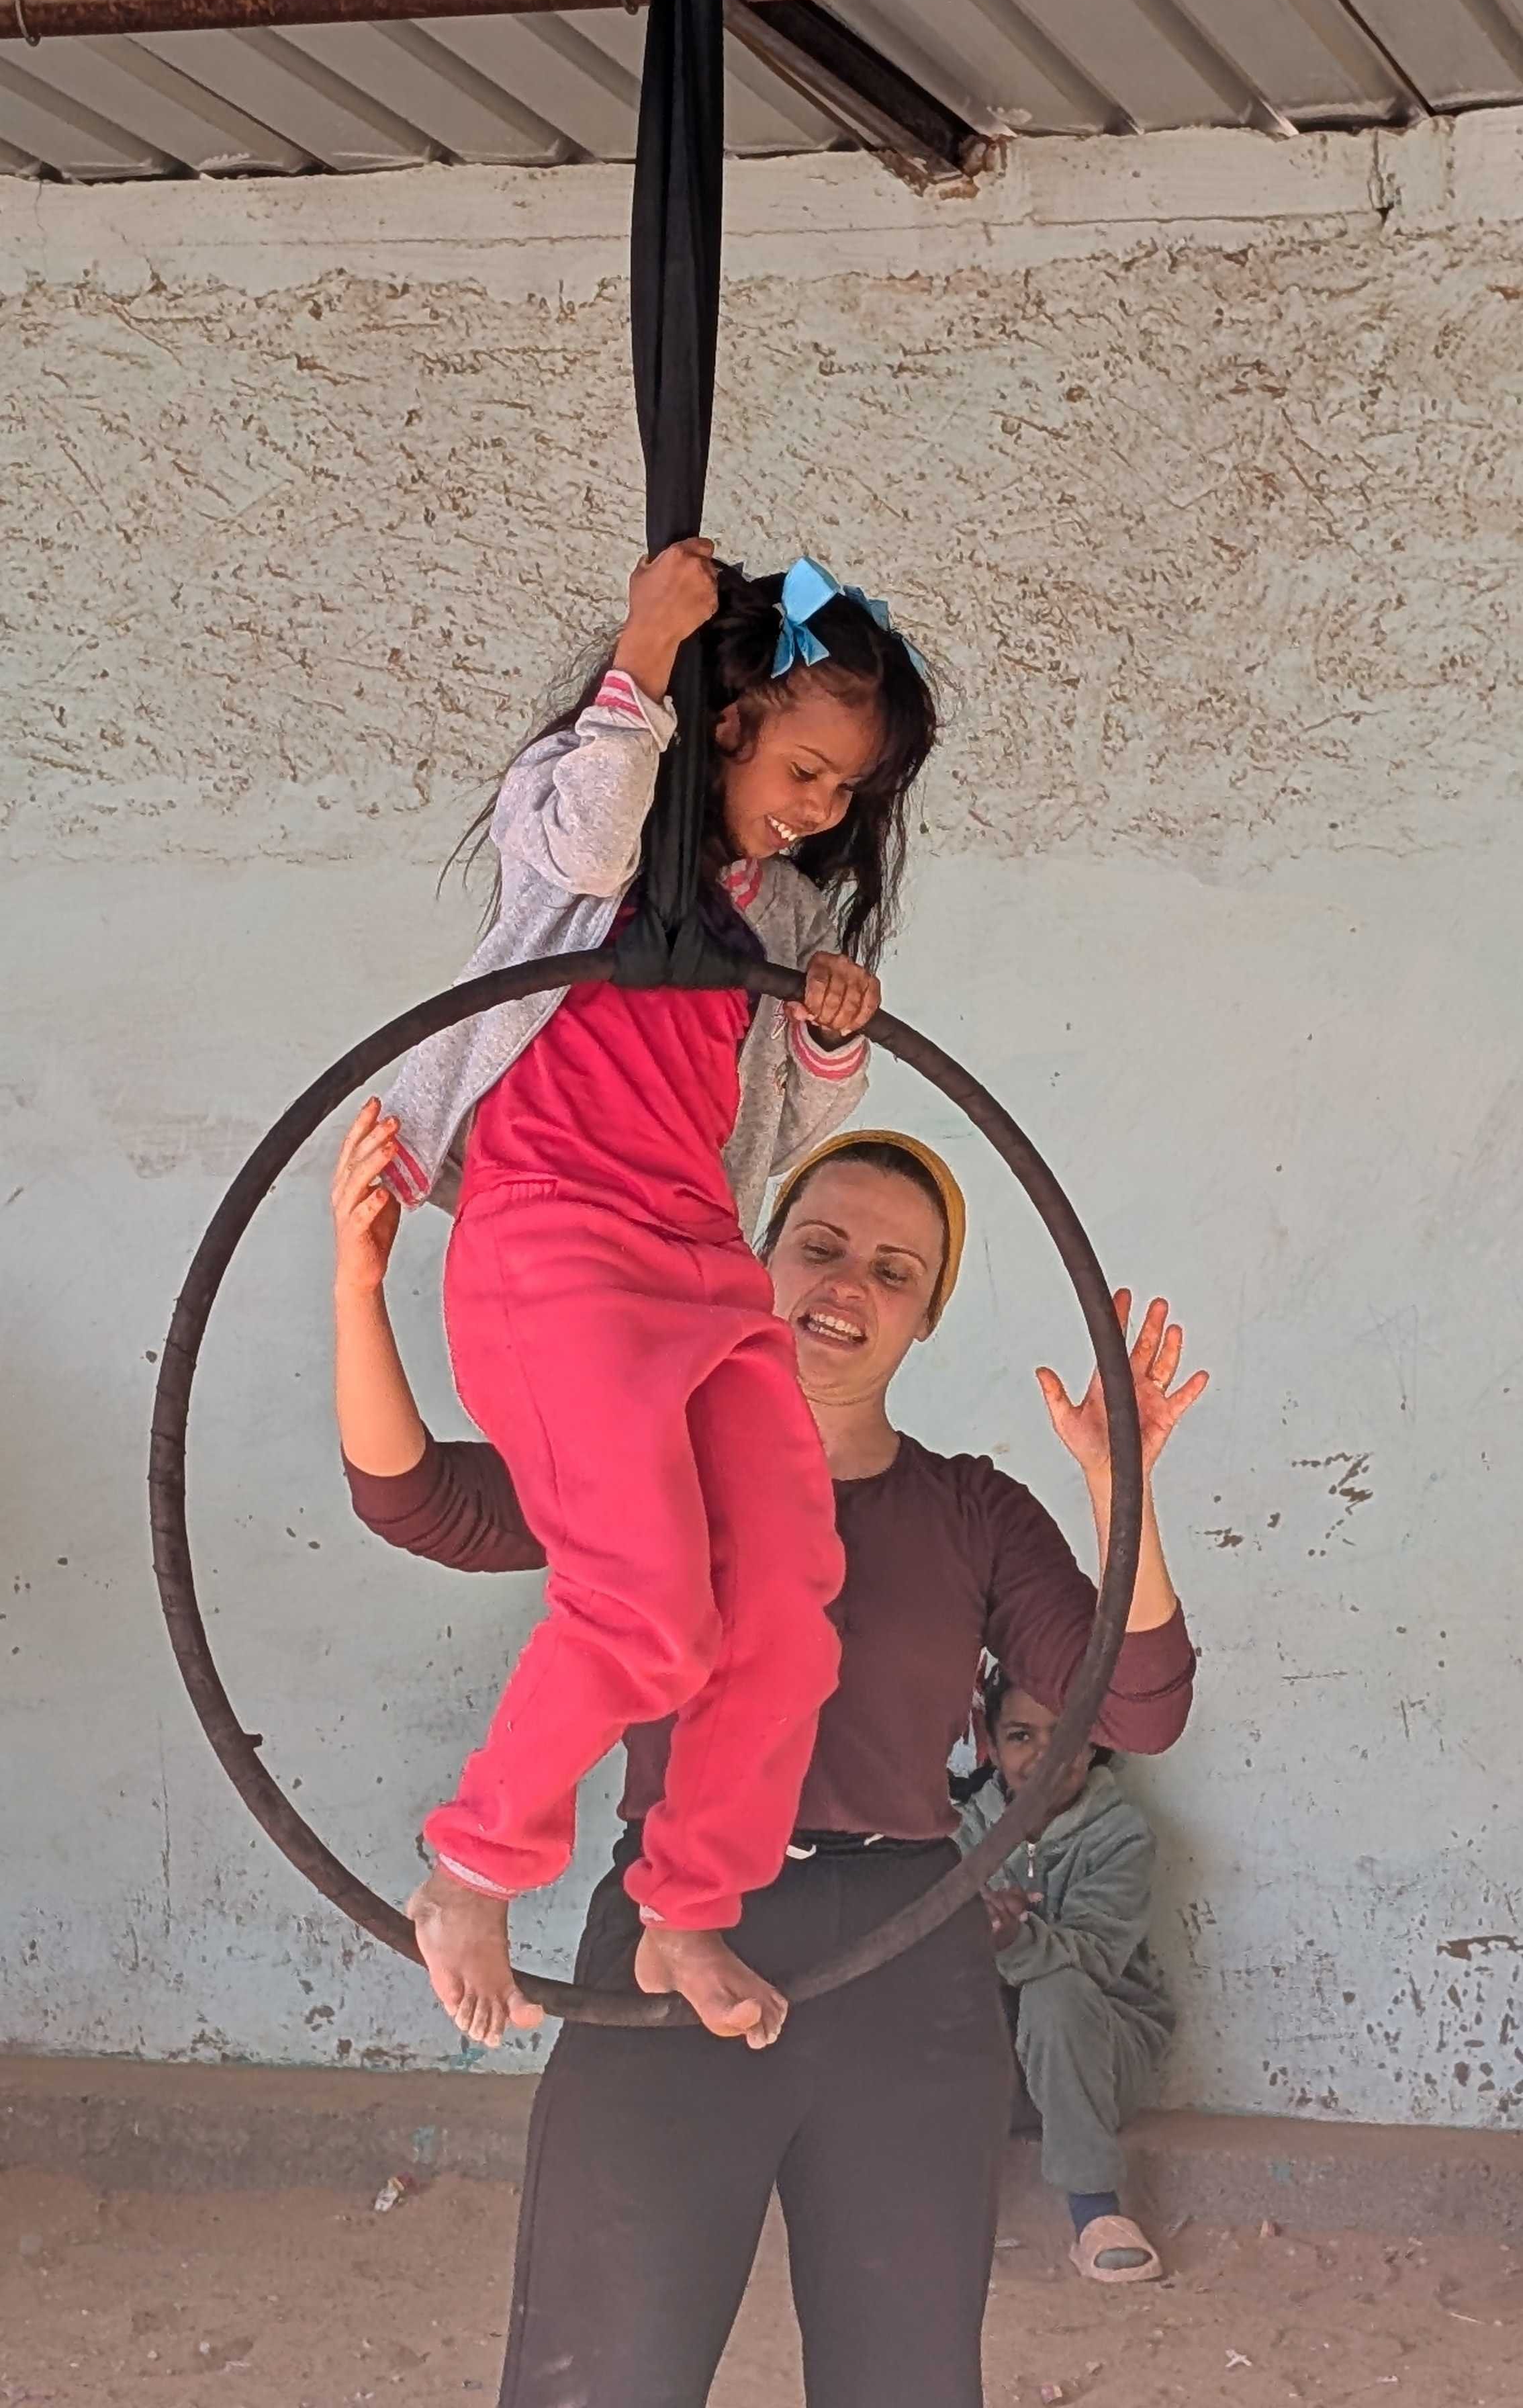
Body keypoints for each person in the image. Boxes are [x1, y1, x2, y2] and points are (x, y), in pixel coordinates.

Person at [331, 1119, 1205, 2408]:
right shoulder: (652, 1459)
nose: (848, 1285)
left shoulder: (971, 1510)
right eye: (821, 1244)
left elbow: (1133, 1706)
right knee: (602, 2366)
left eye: (894, 1271)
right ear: (757, 1263)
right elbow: (418, 1501)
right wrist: (358, 1291)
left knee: (902, 2374)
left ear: (923, 1320)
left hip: (908, 1957)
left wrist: (1117, 1481)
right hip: (667, 1937)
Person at [369, 543, 938, 2055]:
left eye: (847, 796)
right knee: (640, 1608)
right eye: (811, 770)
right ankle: (473, 1860)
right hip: (555, 1251)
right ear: (732, 720)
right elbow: (591, 831)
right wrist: (645, 651)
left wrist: (827, 1033)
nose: (825, 812)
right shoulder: (594, 850)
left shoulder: (779, 919)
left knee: (785, 1596)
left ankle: (690, 1900)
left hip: (698, 1265)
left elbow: (786, 1139)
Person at [960, 1667, 1176, 2286]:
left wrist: (1011, 1939)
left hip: (1102, 2060)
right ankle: (908, 2194)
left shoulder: (1121, 1835)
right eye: (1021, 1736)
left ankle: (1096, 2213)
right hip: (999, 2074)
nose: (1043, 1756)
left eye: (1066, 1733)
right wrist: (967, 1934)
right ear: (991, 1744)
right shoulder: (960, 1833)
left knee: (1056, 1992)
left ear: (1094, 1739)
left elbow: (1097, 1956)